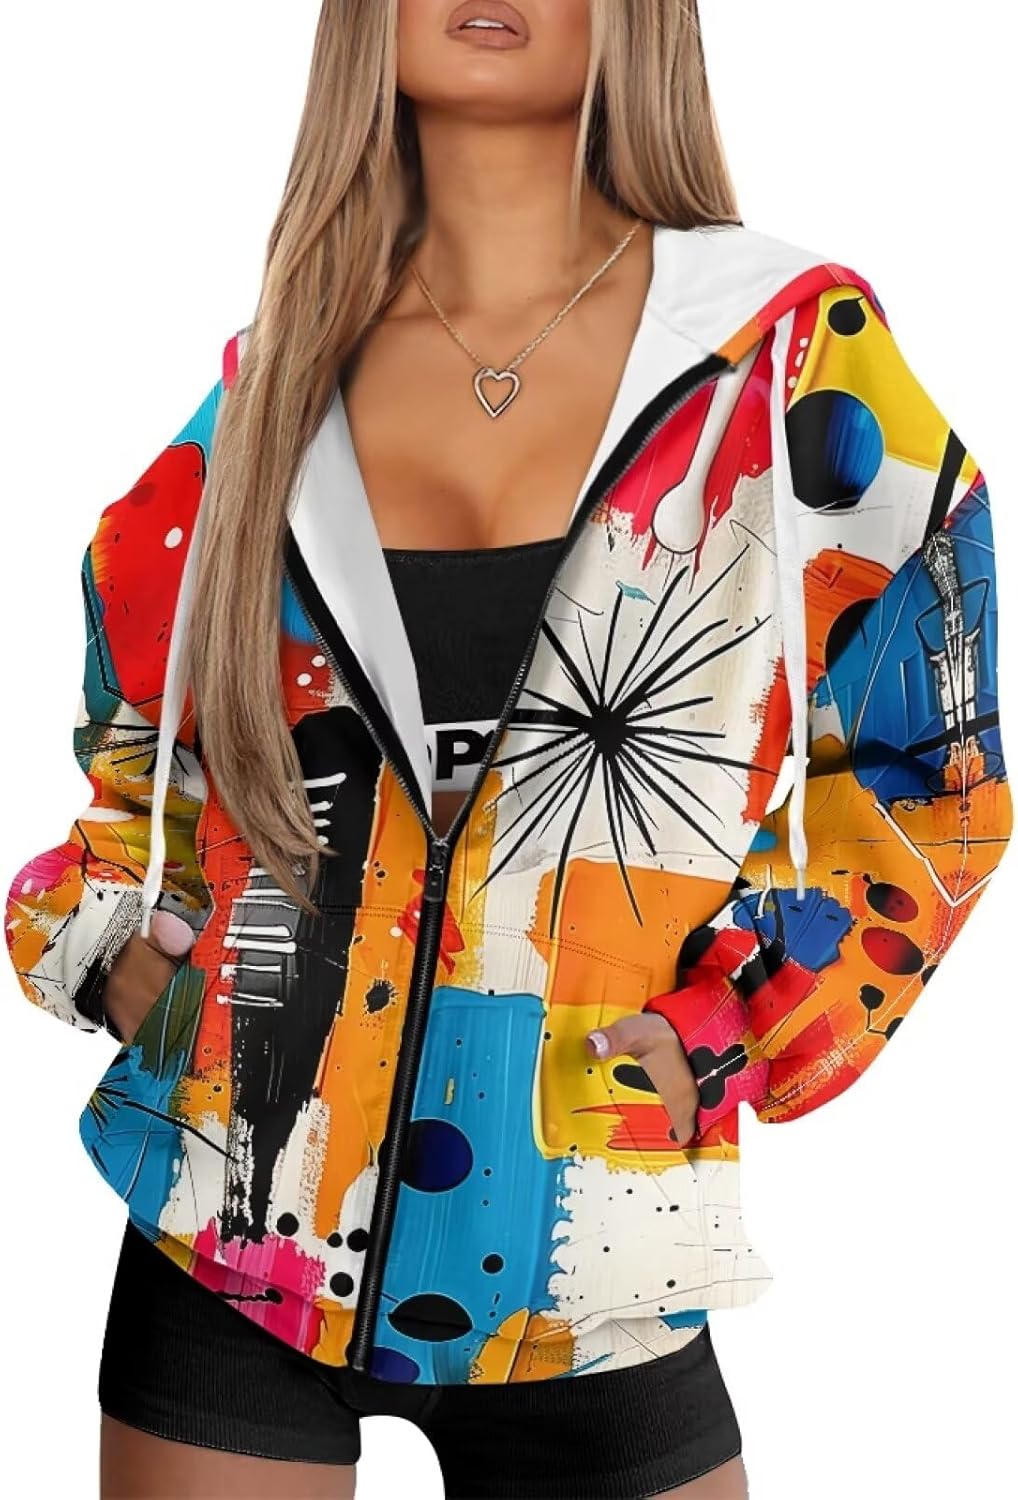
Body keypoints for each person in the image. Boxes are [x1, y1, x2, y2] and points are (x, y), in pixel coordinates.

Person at [5, 2, 1013, 1497]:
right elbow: (143, 720)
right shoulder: (277, 374)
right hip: (226, 1223)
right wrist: (109, 947)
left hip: (590, 1239)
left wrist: (733, 1026)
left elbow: (933, 765)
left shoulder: (781, 357)